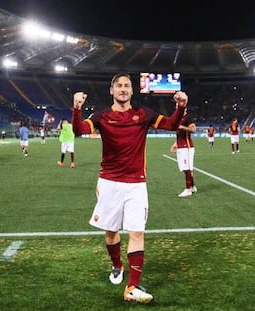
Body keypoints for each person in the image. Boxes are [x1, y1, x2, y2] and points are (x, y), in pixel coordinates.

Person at [71, 73, 188, 303]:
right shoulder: (102, 116)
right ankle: (117, 265)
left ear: (132, 91)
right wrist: (76, 108)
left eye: (127, 85)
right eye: (119, 86)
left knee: (136, 232)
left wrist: (180, 106)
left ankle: (132, 287)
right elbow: (80, 130)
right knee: (111, 231)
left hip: (136, 184)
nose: (123, 89)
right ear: (111, 90)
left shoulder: (144, 115)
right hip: (109, 182)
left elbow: (171, 124)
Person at [171, 109, 197, 197]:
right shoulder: (178, 118)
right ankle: (192, 186)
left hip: (187, 147)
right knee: (185, 168)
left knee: (187, 168)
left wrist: (182, 127)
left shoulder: (188, 117)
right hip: (181, 146)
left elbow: (193, 130)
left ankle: (188, 189)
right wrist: (175, 143)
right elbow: (179, 134)